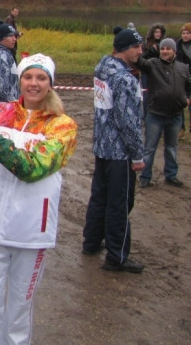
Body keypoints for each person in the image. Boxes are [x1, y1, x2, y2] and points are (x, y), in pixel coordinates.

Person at [0, 53, 77, 345]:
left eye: (41, 78)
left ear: (50, 84)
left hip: (30, 233)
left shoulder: (63, 126)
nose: (33, 84)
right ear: (20, 80)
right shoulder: (0, 112)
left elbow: (32, 168)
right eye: (28, 77)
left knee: (18, 314)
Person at [82, 28, 146, 273]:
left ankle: (91, 241)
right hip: (120, 153)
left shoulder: (103, 67)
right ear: (123, 49)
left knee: (99, 197)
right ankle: (117, 256)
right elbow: (127, 121)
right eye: (136, 47)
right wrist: (137, 155)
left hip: (102, 147)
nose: (140, 51)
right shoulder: (125, 79)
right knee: (119, 203)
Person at [137, 38, 190, 188]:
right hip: (155, 114)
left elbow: (188, 87)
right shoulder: (153, 64)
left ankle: (171, 175)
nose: (165, 51)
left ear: (174, 51)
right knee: (149, 148)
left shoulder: (183, 68)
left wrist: (188, 98)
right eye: (162, 49)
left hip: (176, 115)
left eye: (168, 49)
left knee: (172, 147)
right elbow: (139, 61)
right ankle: (145, 178)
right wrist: (150, 51)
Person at [141, 23, 166, 115]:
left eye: (160, 32)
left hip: (159, 71)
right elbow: (141, 58)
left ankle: (157, 113)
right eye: (156, 32)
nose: (158, 34)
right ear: (152, 33)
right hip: (146, 71)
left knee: (159, 93)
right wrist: (151, 50)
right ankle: (146, 114)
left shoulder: (164, 44)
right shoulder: (146, 44)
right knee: (146, 94)